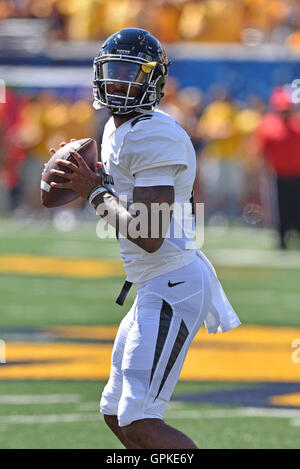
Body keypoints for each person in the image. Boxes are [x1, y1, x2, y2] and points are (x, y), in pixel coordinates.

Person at [49, 28, 240, 449]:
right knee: (116, 412)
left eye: (130, 73)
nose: (118, 81)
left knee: (139, 418)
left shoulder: (154, 133)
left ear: (153, 81)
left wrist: (94, 190)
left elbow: (150, 234)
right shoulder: (120, 129)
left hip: (172, 280)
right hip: (155, 281)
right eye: (112, 71)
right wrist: (91, 179)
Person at [256, 86, 300, 249]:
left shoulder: (297, 124)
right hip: (277, 175)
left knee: (297, 206)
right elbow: (261, 151)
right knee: (279, 208)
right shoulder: (268, 125)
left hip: (297, 174)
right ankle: (282, 238)